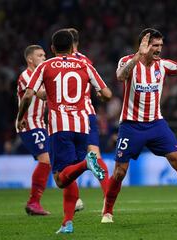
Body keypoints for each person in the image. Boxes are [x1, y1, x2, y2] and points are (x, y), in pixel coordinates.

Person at [101, 28, 177, 223]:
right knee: (120, 172)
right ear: (144, 45)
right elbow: (121, 76)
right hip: (131, 125)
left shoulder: (163, 65)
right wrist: (139, 55)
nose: (159, 49)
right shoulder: (128, 61)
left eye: (161, 45)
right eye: (155, 45)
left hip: (156, 124)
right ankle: (107, 212)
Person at [16, 29, 112, 234]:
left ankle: (87, 164)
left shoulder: (45, 66)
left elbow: (28, 96)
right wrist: (100, 96)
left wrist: (20, 117)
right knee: (70, 176)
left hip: (59, 128)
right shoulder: (85, 64)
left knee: (61, 178)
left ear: (51, 49)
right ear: (73, 47)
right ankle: (67, 223)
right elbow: (107, 93)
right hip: (82, 125)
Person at [67, 27, 109, 211]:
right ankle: (108, 199)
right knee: (95, 155)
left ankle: (75, 200)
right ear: (77, 42)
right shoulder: (86, 61)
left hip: (66, 117)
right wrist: (100, 94)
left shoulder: (55, 63)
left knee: (68, 162)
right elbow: (101, 90)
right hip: (87, 114)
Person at [16, 45, 51, 216]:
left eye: (45, 55)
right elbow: (40, 95)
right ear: (30, 59)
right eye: (40, 55)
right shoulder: (26, 76)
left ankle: (35, 202)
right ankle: (33, 202)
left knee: (50, 160)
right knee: (46, 159)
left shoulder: (41, 77)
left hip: (40, 124)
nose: (44, 58)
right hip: (28, 124)